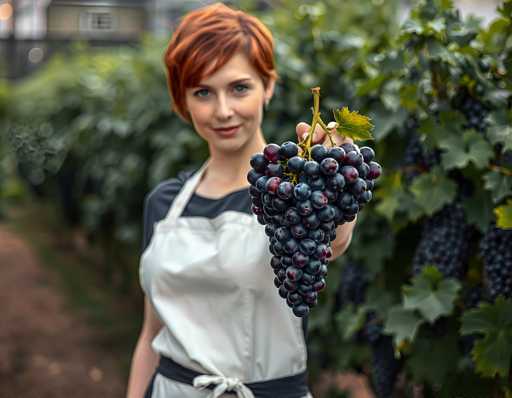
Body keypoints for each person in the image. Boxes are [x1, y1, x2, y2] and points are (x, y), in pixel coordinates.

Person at [126, 3, 357, 398]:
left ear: (268, 85)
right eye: (202, 92)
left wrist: (332, 176)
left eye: (239, 87)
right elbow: (152, 334)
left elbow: (334, 240)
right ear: (182, 101)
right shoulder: (163, 203)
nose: (223, 111)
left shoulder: (294, 194)